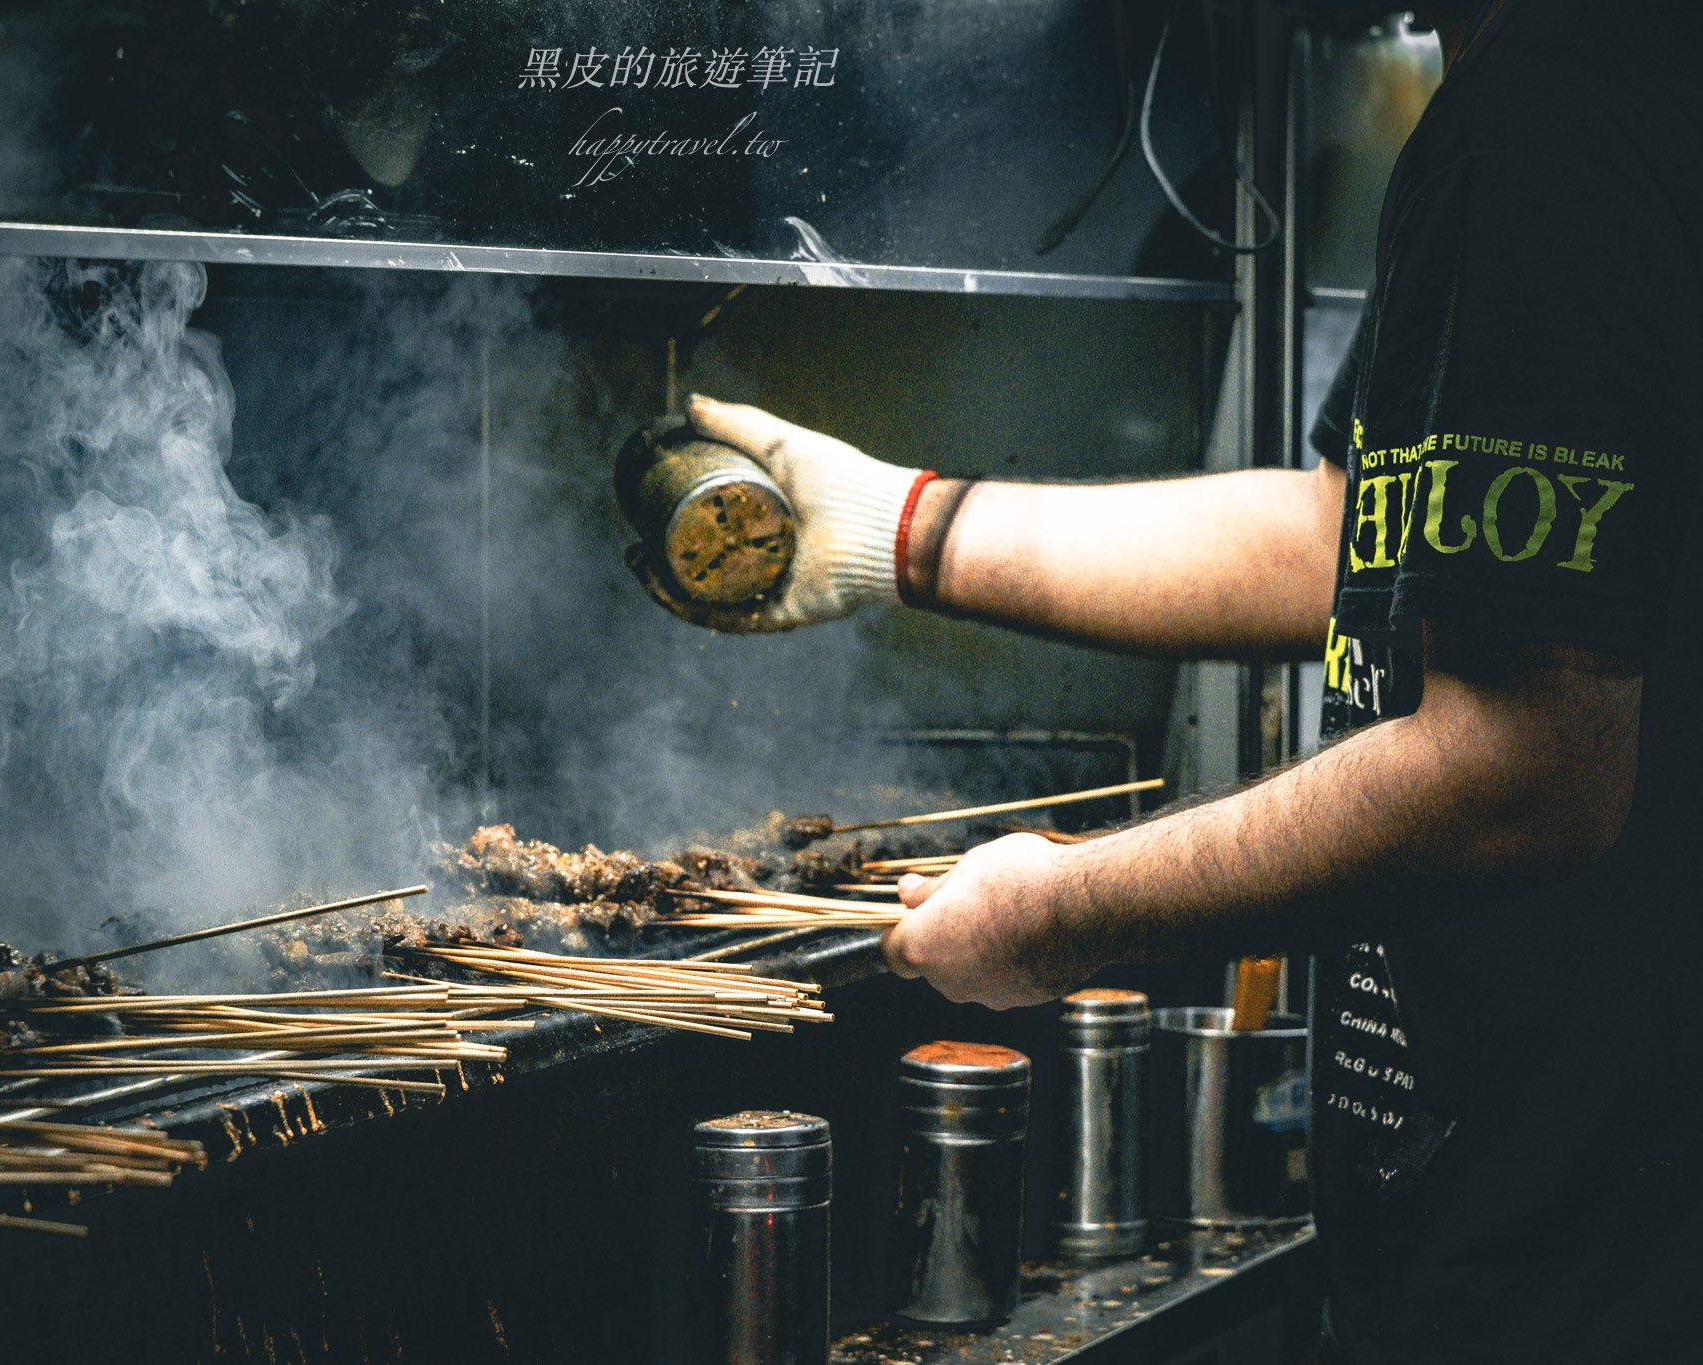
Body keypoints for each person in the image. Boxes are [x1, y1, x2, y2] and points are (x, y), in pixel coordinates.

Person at [631, 1, 1700, 1359]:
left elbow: (1524, 765)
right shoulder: (1579, 96)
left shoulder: (1552, 124)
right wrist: (901, 528)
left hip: (1589, 1266)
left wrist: (1066, 911)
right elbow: (1347, 535)